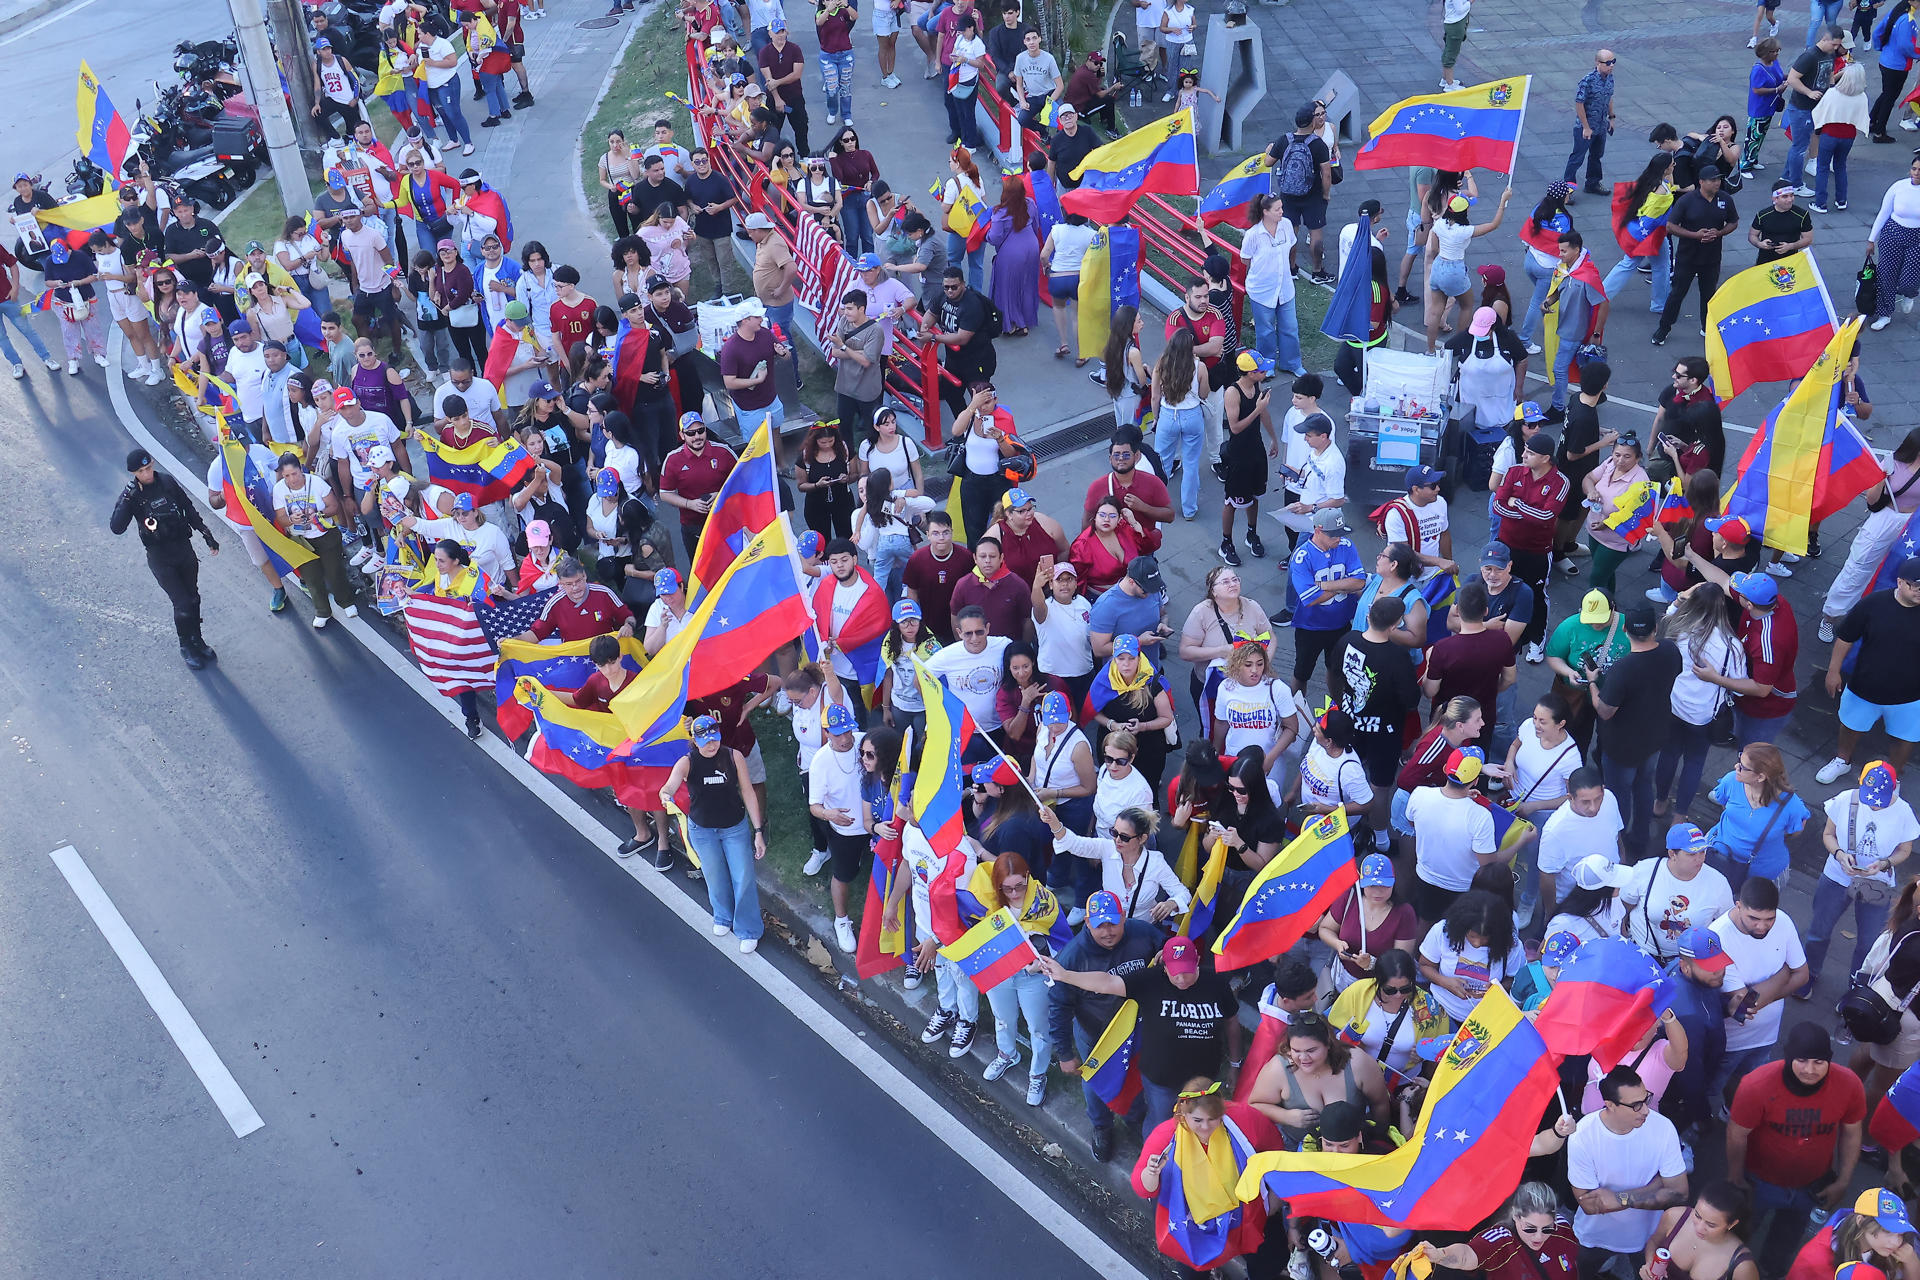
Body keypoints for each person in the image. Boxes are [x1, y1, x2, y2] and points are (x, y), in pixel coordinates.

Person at [1039, 934, 1242, 1132]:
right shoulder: (1150, 981)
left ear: (1197, 960)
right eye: (1174, 972)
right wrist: (1065, 975)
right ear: (1164, 967)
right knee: (1160, 1127)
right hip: (1161, 1081)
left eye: (1187, 971)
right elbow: (1107, 982)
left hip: (1203, 1080)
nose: (1181, 978)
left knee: (1201, 1126)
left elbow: (1232, 1022)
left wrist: (1234, 1064)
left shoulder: (1217, 984)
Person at [1726, 1022, 1865, 1272]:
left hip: (1811, 1185)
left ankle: (1772, 1271)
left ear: (1830, 1061)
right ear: (1789, 1056)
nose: (1810, 1070)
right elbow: (1737, 1135)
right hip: (1759, 1182)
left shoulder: (1849, 1085)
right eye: (1801, 1060)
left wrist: (1843, 1181)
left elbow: (1852, 1133)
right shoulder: (1756, 1085)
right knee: (1738, 1233)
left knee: (1787, 1238)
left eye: (1819, 1062)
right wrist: (1735, 1178)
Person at [1047, 889, 1159, 1160]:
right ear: (1087, 923)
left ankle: (1133, 1116)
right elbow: (1058, 1007)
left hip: (1140, 1029)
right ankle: (1101, 1126)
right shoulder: (1072, 957)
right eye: (1100, 925)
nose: (1108, 931)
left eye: (1113, 922)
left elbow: (1165, 949)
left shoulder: (1143, 932)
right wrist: (1064, 1053)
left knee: (1138, 1074)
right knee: (1096, 1083)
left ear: (1123, 917)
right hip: (1095, 1036)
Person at [1568, 1063, 1691, 1276]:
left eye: (1646, 1099)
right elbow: (1589, 1205)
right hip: (1594, 1236)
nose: (1645, 1110)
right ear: (1609, 1105)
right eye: (1636, 1105)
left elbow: (1680, 1193)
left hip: (1647, 1237)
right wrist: (1657, 1183)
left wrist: (1621, 1198)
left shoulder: (1663, 1128)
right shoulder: (1582, 1136)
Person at [1806, 760, 1919, 987]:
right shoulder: (1845, 799)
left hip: (1877, 883)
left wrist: (1885, 863)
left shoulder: (1904, 812)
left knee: (1868, 942)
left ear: (1895, 786)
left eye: (1882, 801)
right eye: (1871, 800)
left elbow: (1905, 850)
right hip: (1837, 876)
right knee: (1819, 930)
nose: (1876, 806)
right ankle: (1808, 976)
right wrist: (1839, 854)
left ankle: (1855, 988)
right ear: (1860, 782)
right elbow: (1828, 834)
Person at [110, 449, 221, 669]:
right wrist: (126, 497)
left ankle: (197, 639)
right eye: (141, 471)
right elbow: (116, 527)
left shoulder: (167, 483)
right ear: (134, 473)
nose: (147, 473)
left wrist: (205, 531)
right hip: (161, 558)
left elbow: (188, 508)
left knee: (194, 598)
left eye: (149, 467)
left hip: (183, 550)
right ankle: (186, 645)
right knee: (181, 604)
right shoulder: (133, 495)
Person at [1592, 605, 1682, 857]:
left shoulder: (1624, 669)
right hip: (1655, 736)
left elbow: (1605, 710)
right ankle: (1641, 838)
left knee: (1619, 795)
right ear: (1655, 629)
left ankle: (1617, 845)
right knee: (1644, 786)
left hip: (1623, 746)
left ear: (1624, 629)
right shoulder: (1669, 650)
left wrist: (1591, 683)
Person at [1820, 560, 1920, 782]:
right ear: (1900, 582)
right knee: (1850, 726)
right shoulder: (1873, 603)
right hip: (1864, 687)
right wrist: (1833, 671)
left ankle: (1892, 778)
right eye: (1916, 585)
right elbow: (1846, 637)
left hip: (1911, 695)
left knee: (1906, 738)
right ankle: (1842, 761)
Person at [1712, 878, 1811, 1101]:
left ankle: (1730, 1115)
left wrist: (1761, 993)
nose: (1762, 926)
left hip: (1766, 1036)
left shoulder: (1783, 922)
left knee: (1747, 1091)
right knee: (1713, 1089)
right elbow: (1744, 1005)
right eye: (1754, 918)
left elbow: (1803, 975)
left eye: (1769, 919)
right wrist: (1785, 972)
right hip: (1730, 1041)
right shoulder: (1718, 937)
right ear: (1738, 906)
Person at [1493, 432, 1570, 663]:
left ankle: (1537, 639)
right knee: (1502, 589)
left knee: (1536, 595)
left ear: (1546, 458)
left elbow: (1547, 517)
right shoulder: (1515, 471)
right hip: (1506, 546)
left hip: (1537, 551)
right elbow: (1498, 505)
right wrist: (1526, 511)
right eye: (1525, 449)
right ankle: (1504, 632)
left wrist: (1517, 504)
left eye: (1530, 452)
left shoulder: (1561, 482)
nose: (1523, 455)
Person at [1406, 750, 1499, 926]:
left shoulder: (1419, 794)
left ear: (1444, 769)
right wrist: (1521, 842)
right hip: (1462, 888)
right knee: (1456, 933)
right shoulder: (1480, 816)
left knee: (1424, 925)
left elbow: (1412, 823)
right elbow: (1488, 865)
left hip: (1425, 878)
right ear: (1475, 781)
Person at [1704, 743, 1810, 894]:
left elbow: (1796, 830)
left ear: (1760, 777)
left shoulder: (1792, 806)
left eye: (1742, 767)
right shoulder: (1731, 781)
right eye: (1739, 760)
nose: (1736, 767)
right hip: (1716, 853)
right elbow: (1725, 805)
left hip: (1761, 873)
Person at [1653, 165, 1741, 346]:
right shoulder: (1686, 201)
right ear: (1701, 182)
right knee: (1677, 294)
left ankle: (1706, 327)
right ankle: (1664, 328)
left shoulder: (1725, 199)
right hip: (1687, 257)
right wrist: (1695, 235)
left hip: (1712, 258)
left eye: (1718, 179)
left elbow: (1733, 222)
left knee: (1708, 294)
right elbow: (1671, 226)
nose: (1717, 183)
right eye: (1713, 180)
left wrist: (1719, 233)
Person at [1623, 823, 1735, 963]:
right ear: (1672, 854)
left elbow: (1726, 925)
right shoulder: (1645, 870)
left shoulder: (1718, 883)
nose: (1700, 859)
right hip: (1639, 951)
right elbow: (1623, 908)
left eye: (1702, 851)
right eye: (1692, 854)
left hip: (1687, 961)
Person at [1420, 1184, 1582, 1280]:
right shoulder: (1501, 1240)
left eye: (1547, 1228)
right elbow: (1465, 1255)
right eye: (1530, 1228)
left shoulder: (1562, 1227)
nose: (1539, 1237)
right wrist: (1440, 1255)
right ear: (1516, 1216)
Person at [1424, 190, 1514, 352]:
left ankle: (1429, 350)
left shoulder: (1439, 224)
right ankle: (1459, 347)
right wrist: (1503, 201)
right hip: (1455, 270)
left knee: (1435, 310)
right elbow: (1494, 225)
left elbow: (1434, 249)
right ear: (1464, 212)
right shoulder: (1464, 231)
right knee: (1466, 306)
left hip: (1439, 267)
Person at [1417, 887, 1525, 1021]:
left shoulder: (1511, 945)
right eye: (1472, 936)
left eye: (1486, 937)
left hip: (1485, 1018)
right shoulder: (1443, 932)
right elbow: (1425, 965)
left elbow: (1516, 979)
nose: (1477, 943)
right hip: (1441, 1009)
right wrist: (1444, 982)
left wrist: (1498, 989)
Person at [1288, 510, 1365, 696]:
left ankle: (1336, 708)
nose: (1338, 538)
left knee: (1337, 670)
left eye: (1340, 533)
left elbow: (1359, 582)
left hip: (1341, 624)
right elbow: (1310, 598)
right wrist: (1345, 585)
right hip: (1310, 627)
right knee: (1302, 673)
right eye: (1333, 534)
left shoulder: (1346, 545)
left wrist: (1324, 585)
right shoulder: (1301, 556)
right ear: (1318, 530)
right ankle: (1296, 711)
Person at [1316, 854, 1418, 993]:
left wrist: (1372, 964)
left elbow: (1400, 962)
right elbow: (1325, 929)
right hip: (1341, 979)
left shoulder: (1405, 913)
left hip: (1378, 986)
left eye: (1384, 886)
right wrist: (1337, 944)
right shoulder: (1350, 897)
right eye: (1371, 886)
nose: (1378, 892)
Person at [1786, 1189, 1920, 1280]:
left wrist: (1911, 1261)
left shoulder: (1887, 1247)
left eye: (1900, 1233)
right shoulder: (1815, 1259)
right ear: (1860, 1221)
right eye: (1887, 1231)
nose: (1896, 1242)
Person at [1638, 1185, 1760, 1280]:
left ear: (1731, 1224)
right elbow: (1654, 1241)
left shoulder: (1742, 1266)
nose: (1699, 1228)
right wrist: (1650, 1264)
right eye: (1697, 1215)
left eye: (1711, 1225)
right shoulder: (1674, 1216)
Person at [1583, 430, 1650, 598]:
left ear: (1638, 458)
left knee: (1597, 577)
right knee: (1606, 572)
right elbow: (1588, 478)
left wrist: (1607, 523)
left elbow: (1637, 516)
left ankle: (1593, 611)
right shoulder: (1609, 464)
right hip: (1595, 530)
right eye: (1617, 454)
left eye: (1627, 457)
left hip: (1617, 540)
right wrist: (1591, 491)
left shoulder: (1641, 482)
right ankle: (1610, 604)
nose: (1620, 460)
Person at [1564, 49, 1620, 193]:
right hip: (1586, 128)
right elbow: (1579, 103)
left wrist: (1611, 117)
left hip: (1601, 126)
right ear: (1598, 63)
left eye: (1613, 62)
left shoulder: (1610, 78)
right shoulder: (1587, 81)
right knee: (1577, 158)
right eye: (1608, 63)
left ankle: (1593, 183)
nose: (1611, 65)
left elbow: (1609, 98)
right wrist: (1585, 127)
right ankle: (1567, 191)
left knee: (1596, 156)